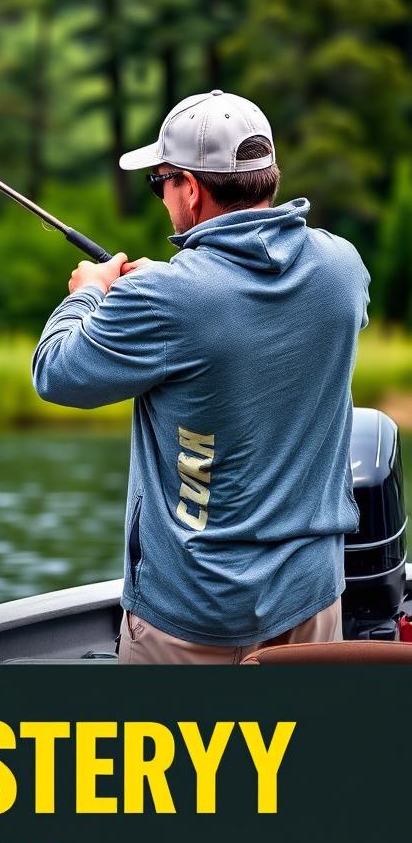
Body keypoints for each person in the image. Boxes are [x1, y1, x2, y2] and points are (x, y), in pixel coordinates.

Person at [31, 90, 370, 664]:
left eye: (160, 181)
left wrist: (89, 295)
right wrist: (167, 288)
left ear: (191, 188)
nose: (162, 196)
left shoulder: (164, 298)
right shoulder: (343, 269)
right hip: (313, 602)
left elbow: (57, 373)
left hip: (195, 616)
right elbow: (239, 303)